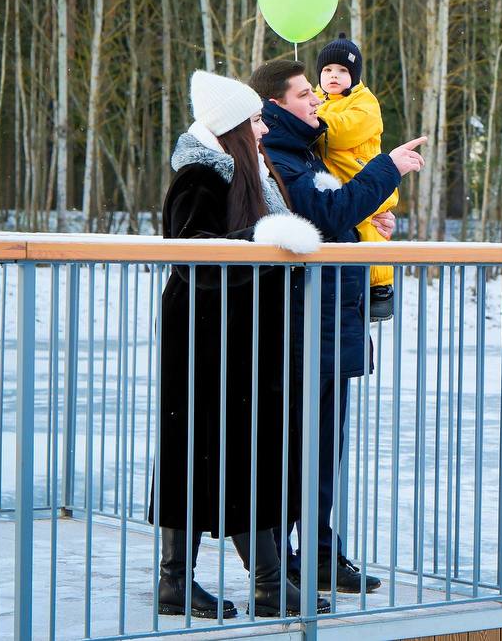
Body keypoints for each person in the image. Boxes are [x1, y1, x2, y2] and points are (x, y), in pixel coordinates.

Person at [152, 69, 329, 619]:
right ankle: (193, 580)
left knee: (245, 452)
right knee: (206, 453)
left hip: (241, 336)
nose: (261, 128)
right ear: (231, 126)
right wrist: (262, 241)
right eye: (253, 119)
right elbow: (193, 253)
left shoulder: (245, 171)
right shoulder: (201, 176)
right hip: (206, 337)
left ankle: (264, 582)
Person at [251, 58, 425, 594]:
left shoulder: (305, 150)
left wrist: (367, 217)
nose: (315, 101)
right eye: (305, 93)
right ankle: (282, 567)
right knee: (294, 449)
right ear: (277, 104)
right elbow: (323, 214)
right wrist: (387, 168)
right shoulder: (279, 152)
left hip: (328, 322)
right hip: (303, 328)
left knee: (325, 447)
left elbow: (337, 211)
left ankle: (320, 553)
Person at [313, 33, 399, 320]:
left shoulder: (365, 103)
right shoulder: (315, 99)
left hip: (361, 174)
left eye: (342, 71)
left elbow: (341, 132)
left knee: (369, 225)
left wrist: (311, 119)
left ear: (355, 75)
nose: (333, 76)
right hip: (335, 182)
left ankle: (381, 287)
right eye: (327, 70)